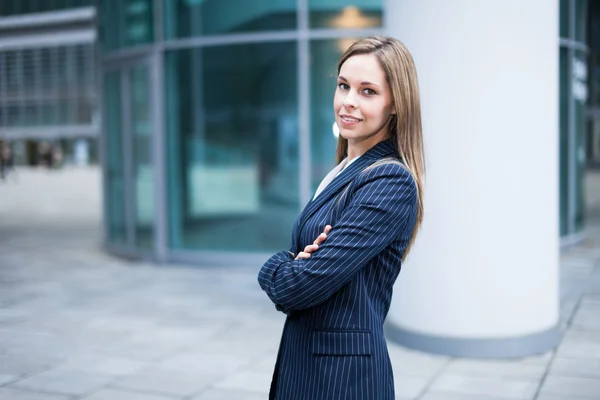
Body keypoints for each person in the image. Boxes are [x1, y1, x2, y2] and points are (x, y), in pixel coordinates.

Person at [257, 35, 425, 400]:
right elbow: (300, 268)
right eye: (344, 86)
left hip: (342, 381)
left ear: (396, 104)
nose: (348, 102)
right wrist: (293, 264)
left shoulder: (389, 180)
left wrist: (275, 268)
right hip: (308, 369)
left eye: (368, 91)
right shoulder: (343, 170)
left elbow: (299, 285)